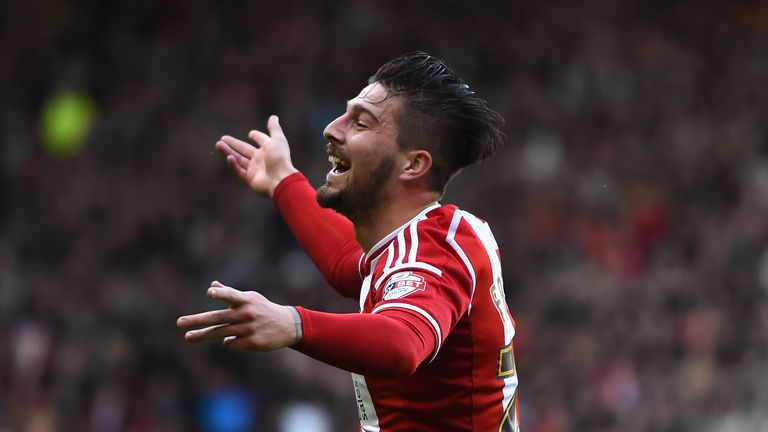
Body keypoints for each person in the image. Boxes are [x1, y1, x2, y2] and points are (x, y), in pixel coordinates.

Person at [177, 52, 520, 432]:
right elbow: (348, 265)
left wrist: (294, 323)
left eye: (360, 123)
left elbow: (403, 343)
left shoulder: (435, 250)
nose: (331, 129)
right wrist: (284, 182)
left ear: (413, 165)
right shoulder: (416, 243)